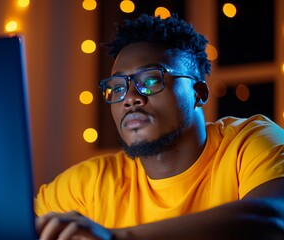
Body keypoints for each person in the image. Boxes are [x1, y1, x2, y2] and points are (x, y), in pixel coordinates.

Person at [34, 14, 284, 239]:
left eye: (151, 80)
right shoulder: (87, 186)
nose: (131, 97)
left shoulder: (250, 143)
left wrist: (117, 238)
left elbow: (272, 219)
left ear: (198, 93)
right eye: (118, 87)